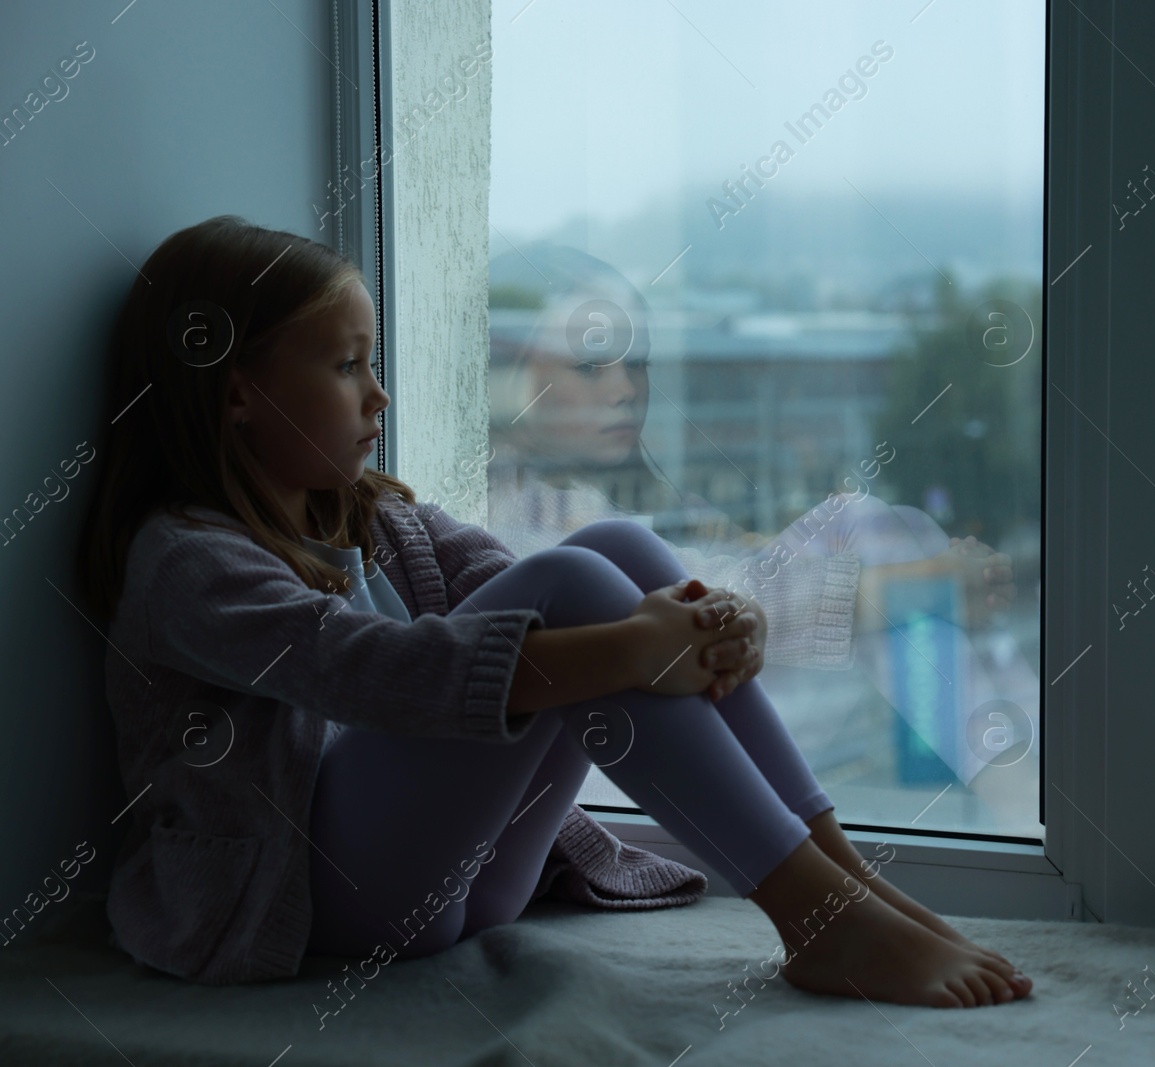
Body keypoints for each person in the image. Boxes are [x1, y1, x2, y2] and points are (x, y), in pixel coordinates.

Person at [73, 215, 1032, 1009]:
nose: (379, 394)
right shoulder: (186, 563)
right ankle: (816, 917)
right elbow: (370, 670)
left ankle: (839, 876)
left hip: (463, 883)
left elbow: (517, 575)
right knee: (580, 593)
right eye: (345, 366)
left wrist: (700, 621)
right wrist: (638, 646)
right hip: (303, 898)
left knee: (612, 555)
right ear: (239, 394)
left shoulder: (374, 517)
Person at [485, 243, 1037, 802]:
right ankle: (1022, 795)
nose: (625, 389)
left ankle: (1022, 773)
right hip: (623, 764)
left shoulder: (605, 487)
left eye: (637, 363)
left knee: (873, 527)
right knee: (876, 543)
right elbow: (701, 600)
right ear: (512, 377)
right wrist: (910, 588)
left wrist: (919, 575)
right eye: (589, 366)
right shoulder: (510, 507)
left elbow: (725, 555)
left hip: (697, 703)